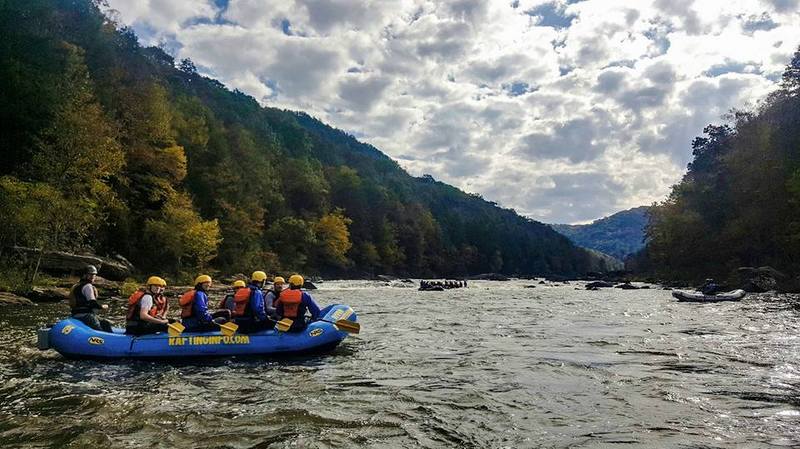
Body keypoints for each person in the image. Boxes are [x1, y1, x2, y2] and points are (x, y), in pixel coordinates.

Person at [69, 265, 112, 332]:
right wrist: (102, 307)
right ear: (84, 275)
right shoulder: (88, 286)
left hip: (75, 315)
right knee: (101, 329)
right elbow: (92, 303)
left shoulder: (75, 286)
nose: (92, 277)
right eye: (90, 275)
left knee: (105, 323)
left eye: (94, 275)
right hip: (86, 316)